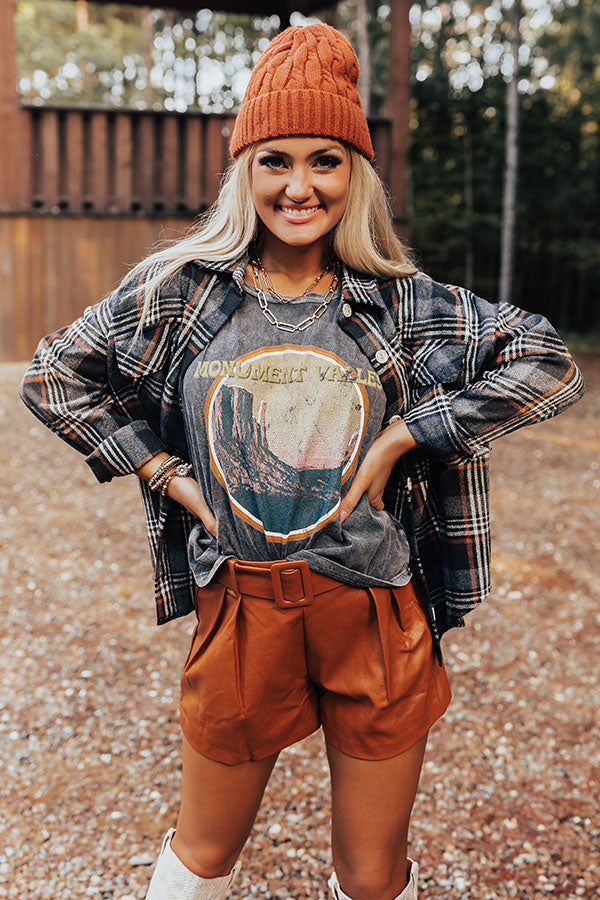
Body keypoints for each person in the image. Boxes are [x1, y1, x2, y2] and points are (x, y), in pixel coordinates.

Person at [19, 22, 584, 900]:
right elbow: (55, 377)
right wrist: (164, 472)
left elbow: (548, 364)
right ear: (244, 168)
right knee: (202, 855)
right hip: (243, 610)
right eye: (275, 158)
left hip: (376, 612)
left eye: (325, 159)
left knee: (369, 877)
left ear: (355, 172)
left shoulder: (399, 302)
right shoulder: (182, 290)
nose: (299, 185)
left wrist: (411, 431)